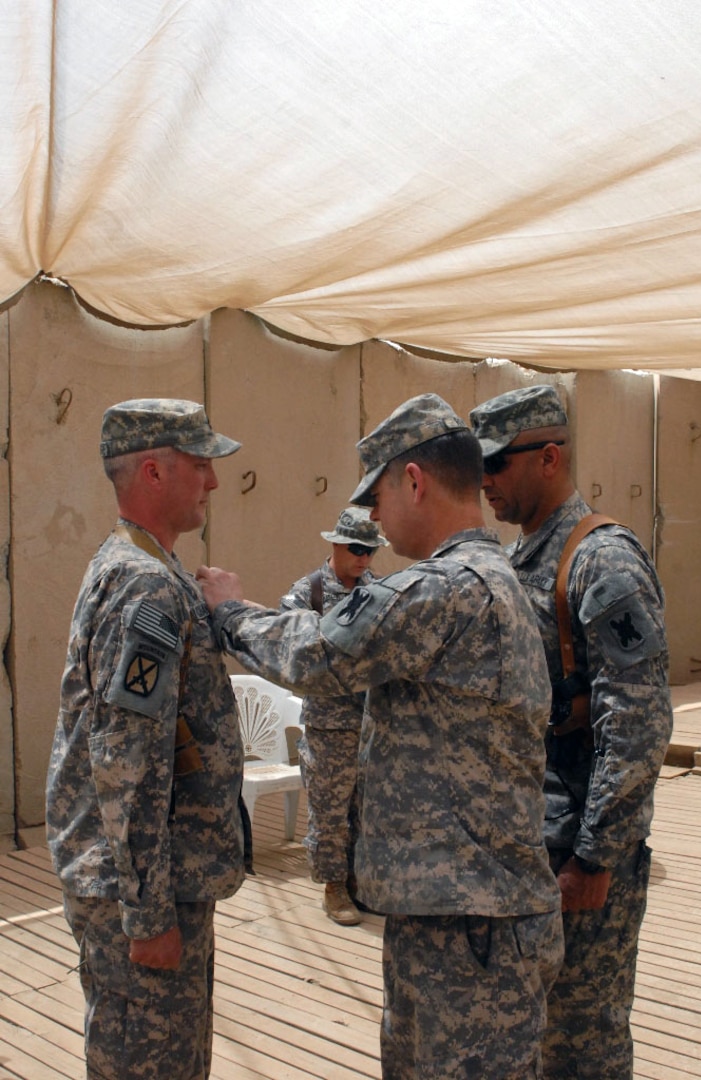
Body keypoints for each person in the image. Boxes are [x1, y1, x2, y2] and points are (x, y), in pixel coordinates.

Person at [197, 393, 564, 1080]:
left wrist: (228, 612)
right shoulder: (497, 576)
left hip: (468, 927)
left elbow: (317, 655)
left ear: (413, 480)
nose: (371, 520)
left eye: (376, 497)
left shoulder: (446, 587)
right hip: (466, 913)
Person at [469, 384, 674, 1080]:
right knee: (528, 1032)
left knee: (581, 1043)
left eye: (496, 463)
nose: (483, 482)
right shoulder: (517, 559)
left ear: (548, 457)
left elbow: (638, 721)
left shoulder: (599, 562)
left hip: (575, 854)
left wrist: (597, 857)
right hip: (526, 842)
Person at [45, 398, 247, 1080]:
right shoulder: (145, 588)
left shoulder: (134, 565)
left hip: (146, 877)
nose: (213, 482)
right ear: (154, 472)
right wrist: (147, 911)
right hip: (144, 888)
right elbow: (127, 760)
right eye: (200, 466)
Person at [280, 505, 388, 926]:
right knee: (330, 810)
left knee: (365, 807)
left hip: (370, 721)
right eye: (356, 549)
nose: (364, 559)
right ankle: (333, 885)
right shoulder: (308, 592)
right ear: (336, 545)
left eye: (371, 551)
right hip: (329, 723)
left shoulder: (378, 590)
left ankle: (358, 880)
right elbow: (289, 647)